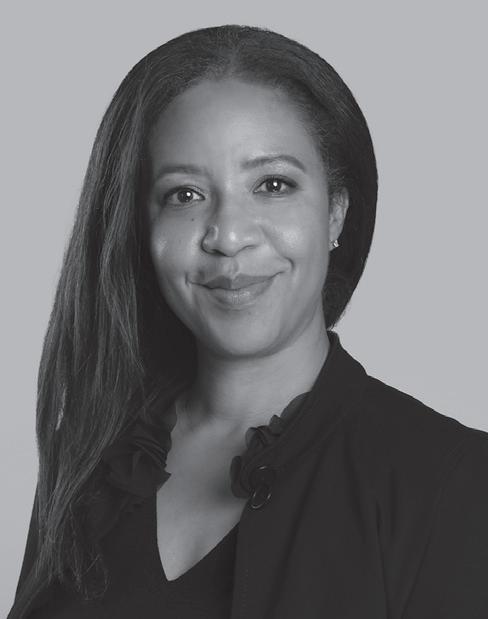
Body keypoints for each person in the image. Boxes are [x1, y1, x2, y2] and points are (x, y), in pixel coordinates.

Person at [8, 24, 488, 619]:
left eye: (273, 185)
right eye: (184, 194)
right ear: (142, 226)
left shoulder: (452, 481)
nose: (229, 236)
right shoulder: (88, 457)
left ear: (336, 212)